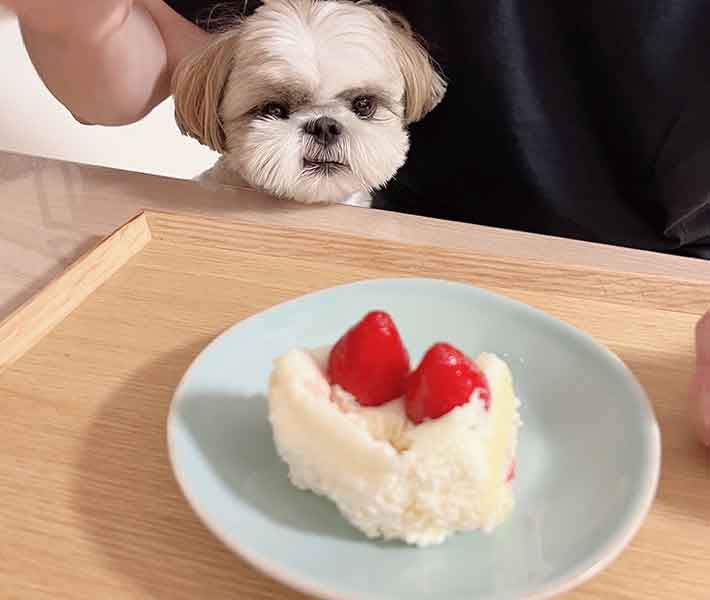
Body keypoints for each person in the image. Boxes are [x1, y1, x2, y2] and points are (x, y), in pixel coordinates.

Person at [4, 0, 710, 441]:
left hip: (653, 279)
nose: (323, 132)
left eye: (363, 107)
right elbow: (120, 61)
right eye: (277, 110)